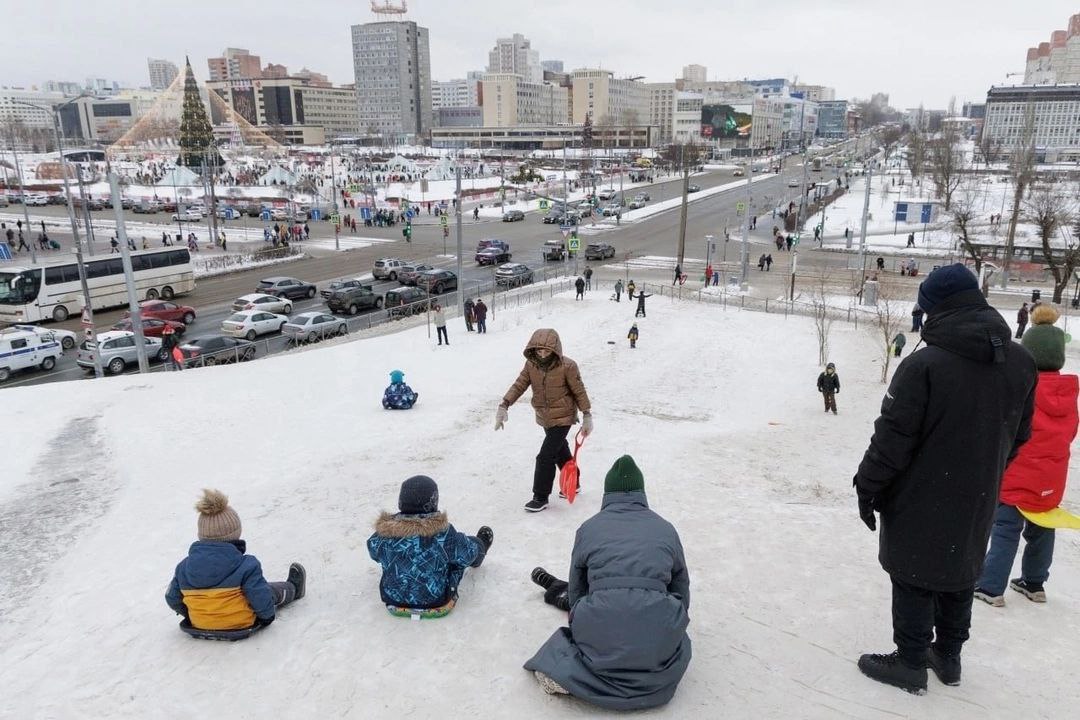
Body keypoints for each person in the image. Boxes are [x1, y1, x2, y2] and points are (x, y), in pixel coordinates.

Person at [853, 263, 1036, 695]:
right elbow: (1021, 433)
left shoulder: (924, 366)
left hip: (919, 493)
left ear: (935, 310)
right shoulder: (1021, 362)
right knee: (960, 568)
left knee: (914, 572)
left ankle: (912, 662)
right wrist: (983, 471)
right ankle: (948, 658)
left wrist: (867, 485)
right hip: (979, 493)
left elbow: (892, 440)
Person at [524, 456, 691, 710]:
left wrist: (584, 618)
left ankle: (578, 676)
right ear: (641, 491)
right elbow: (681, 587)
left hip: (600, 615)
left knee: (572, 638)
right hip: (656, 623)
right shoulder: (665, 529)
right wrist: (670, 618)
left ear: (608, 492)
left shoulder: (589, 528)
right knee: (679, 642)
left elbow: (577, 589)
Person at [976, 305, 1078, 607]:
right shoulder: (1068, 395)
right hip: (1051, 479)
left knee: (1006, 529)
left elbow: (1005, 429)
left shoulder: (1023, 388)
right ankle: (1034, 584)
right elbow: (1069, 434)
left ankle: (991, 587)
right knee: (1043, 527)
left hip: (1017, 476)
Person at [166, 489, 306, 633]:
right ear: (235, 534)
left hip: (199, 623)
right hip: (240, 622)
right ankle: (293, 589)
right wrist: (267, 617)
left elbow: (172, 597)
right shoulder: (246, 565)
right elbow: (259, 595)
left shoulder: (184, 568)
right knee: (267, 590)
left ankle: (205, 620)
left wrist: (192, 613)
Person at [496, 329, 593, 512]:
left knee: (545, 456)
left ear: (555, 349)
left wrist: (586, 414)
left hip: (563, 416)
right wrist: (504, 404)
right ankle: (574, 483)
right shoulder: (531, 365)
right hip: (544, 416)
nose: (542, 355)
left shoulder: (568, 366)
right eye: (539, 351)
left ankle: (540, 496)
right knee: (560, 450)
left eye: (546, 351)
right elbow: (519, 385)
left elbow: (579, 391)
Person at [367, 475, 493, 617]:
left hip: (393, 599)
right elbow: (467, 554)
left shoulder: (384, 534)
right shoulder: (442, 534)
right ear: (433, 502)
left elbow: (373, 550)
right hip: (436, 599)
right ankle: (481, 547)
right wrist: (474, 544)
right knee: (464, 550)